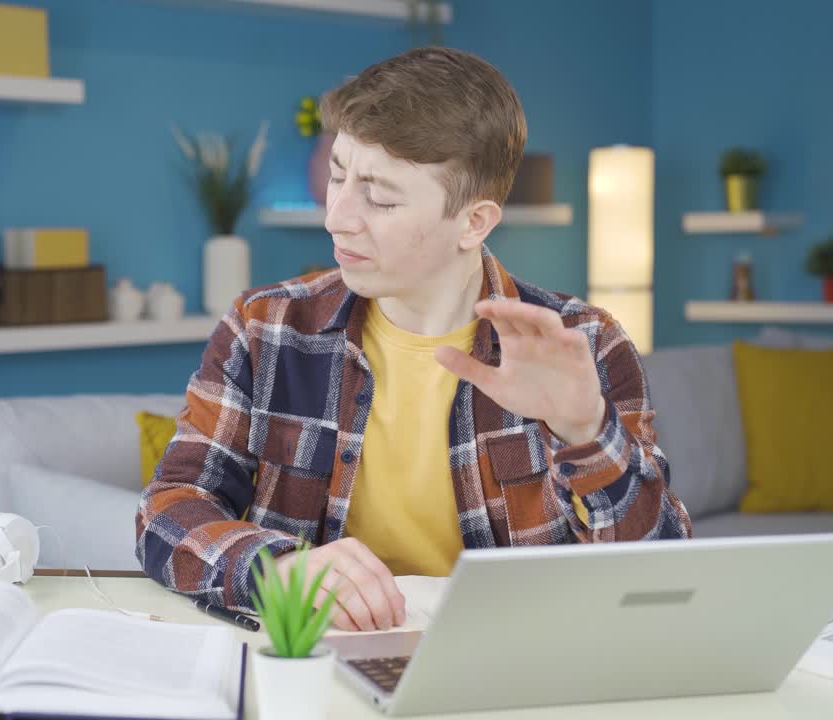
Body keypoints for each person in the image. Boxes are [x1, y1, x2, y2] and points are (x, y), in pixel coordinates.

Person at [136, 46, 691, 632]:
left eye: (380, 196)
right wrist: (274, 570)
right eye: (339, 175)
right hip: (317, 661)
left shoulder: (584, 344)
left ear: (474, 222)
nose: (338, 217)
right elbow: (166, 511)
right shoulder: (266, 328)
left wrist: (586, 434)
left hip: (513, 668)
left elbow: (655, 576)